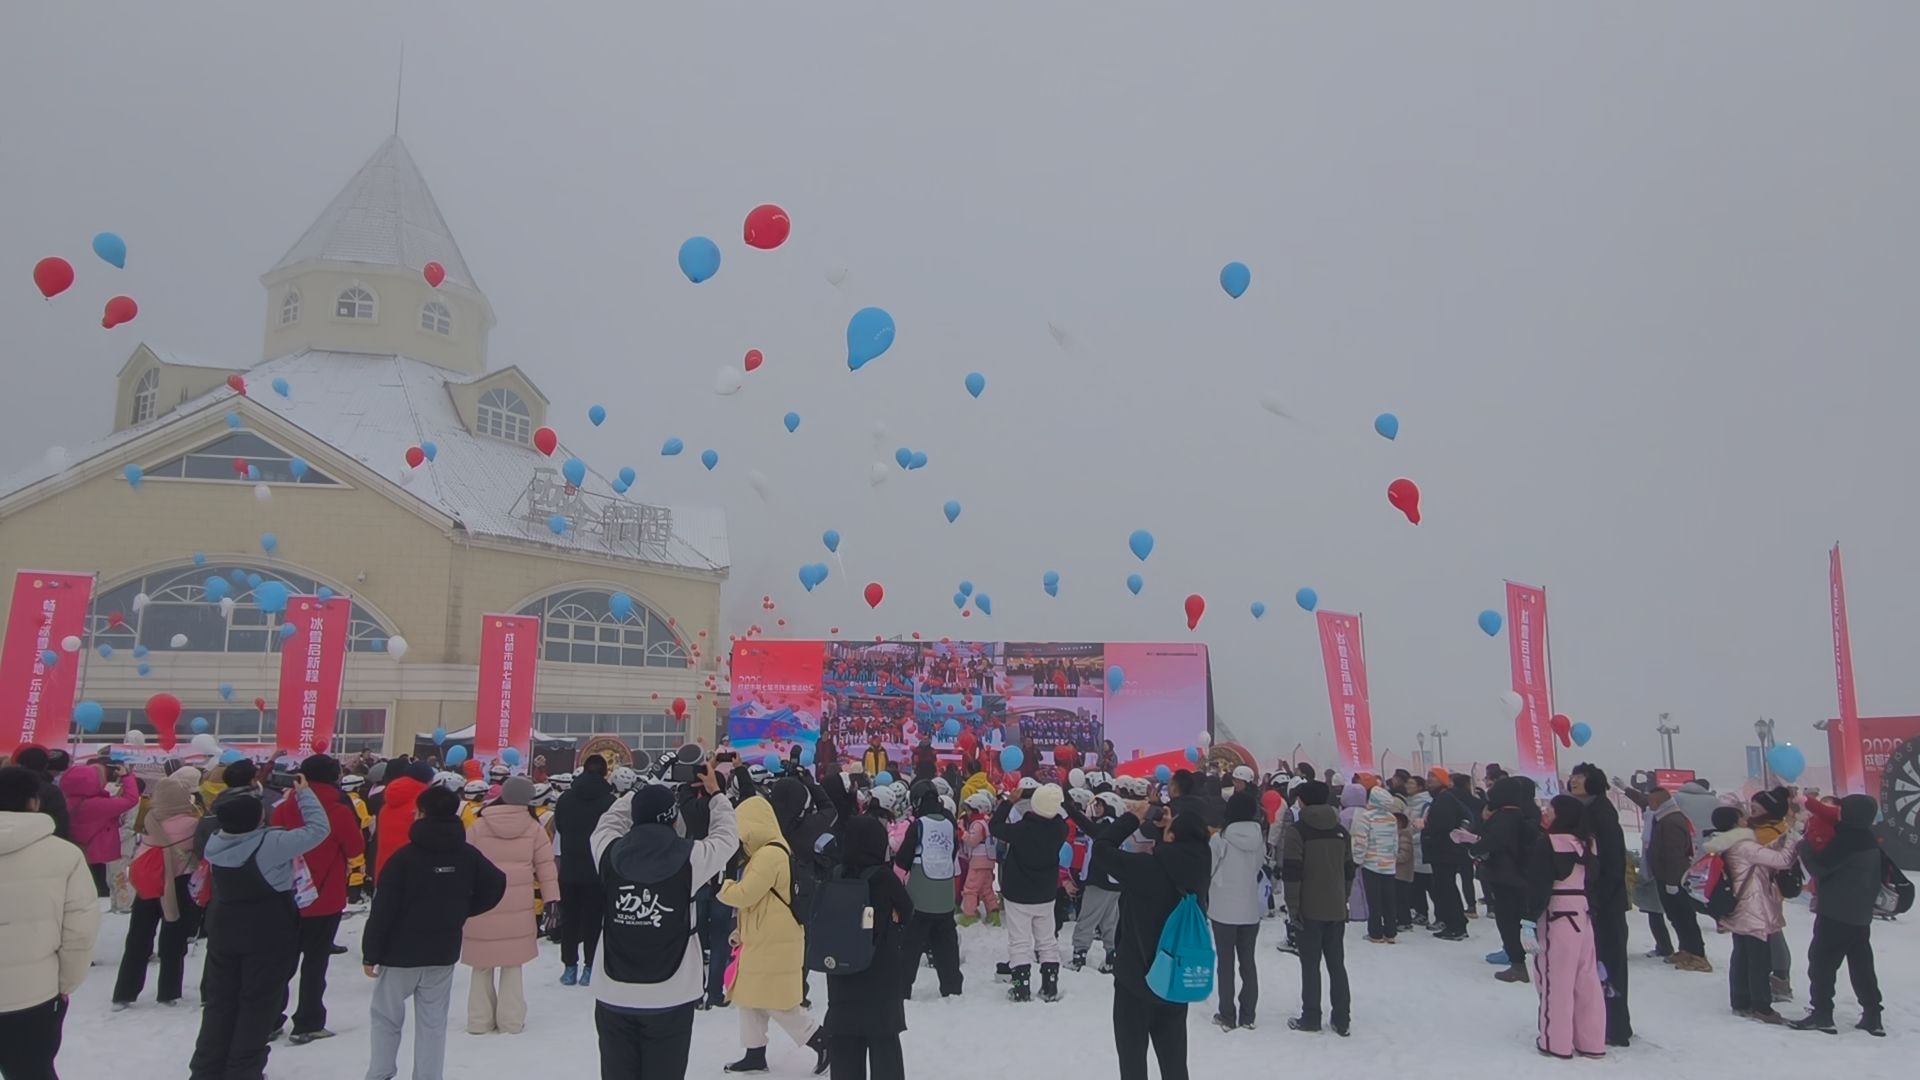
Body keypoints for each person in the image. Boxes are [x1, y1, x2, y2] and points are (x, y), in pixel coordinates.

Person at [591, 764, 737, 1078]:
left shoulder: (608, 853)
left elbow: (607, 823)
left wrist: (634, 791)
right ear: (674, 818)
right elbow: (727, 837)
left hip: (613, 990)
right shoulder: (691, 858)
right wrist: (716, 794)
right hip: (673, 992)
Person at [189, 772, 332, 1080]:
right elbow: (319, 830)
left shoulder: (216, 842)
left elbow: (239, 820)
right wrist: (304, 793)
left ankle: (205, 1070)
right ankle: (243, 1071)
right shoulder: (271, 843)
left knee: (220, 1003)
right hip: (267, 931)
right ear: (257, 819)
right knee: (257, 1005)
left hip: (225, 928)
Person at [362, 784, 507, 1080]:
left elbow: (383, 909)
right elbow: (496, 882)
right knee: (433, 1023)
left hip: (398, 953)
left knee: (386, 1018)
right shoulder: (467, 854)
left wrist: (370, 952)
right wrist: (460, 911)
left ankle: (380, 1074)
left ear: (423, 813)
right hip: (442, 950)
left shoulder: (404, 858)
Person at [1090, 789, 1212, 1080]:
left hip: (1137, 976)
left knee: (1133, 1062)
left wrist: (1133, 818)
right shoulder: (1201, 860)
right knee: (1174, 1062)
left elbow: (1103, 848)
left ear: (1170, 838)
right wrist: (1168, 830)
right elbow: (1176, 853)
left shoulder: (1145, 868)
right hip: (1175, 976)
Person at [718, 795, 830, 1075]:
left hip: (774, 942)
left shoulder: (770, 854)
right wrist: (740, 933)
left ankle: (823, 1040)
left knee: (776, 1002)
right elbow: (761, 903)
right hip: (765, 938)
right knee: (750, 998)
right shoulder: (770, 852)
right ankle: (754, 1053)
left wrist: (722, 885)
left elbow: (746, 895)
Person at [0, 766, 99, 1080]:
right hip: (34, 995)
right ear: (34, 802)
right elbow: (80, 932)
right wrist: (64, 984)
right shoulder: (64, 855)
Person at [270, 754, 367, 1045]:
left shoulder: (284, 807)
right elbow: (355, 847)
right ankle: (308, 1022)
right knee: (315, 963)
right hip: (325, 896)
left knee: (280, 962)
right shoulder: (337, 810)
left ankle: (270, 1019)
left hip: (287, 894)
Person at [462, 776, 561, 1035]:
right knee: (512, 964)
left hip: (481, 904)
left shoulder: (479, 825)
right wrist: (552, 900)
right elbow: (546, 868)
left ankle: (478, 1020)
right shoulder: (534, 828)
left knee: (481, 964)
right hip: (518, 905)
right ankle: (511, 1020)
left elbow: (465, 862)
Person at [823, 816, 914, 1080]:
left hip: (842, 974)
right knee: (885, 1049)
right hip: (879, 974)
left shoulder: (836, 874)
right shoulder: (882, 876)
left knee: (845, 1049)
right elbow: (907, 910)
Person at [1789, 794, 1884, 1036]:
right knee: (1862, 965)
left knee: (1822, 963)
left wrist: (1805, 846)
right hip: (1860, 913)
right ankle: (1873, 1015)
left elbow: (1819, 868)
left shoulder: (1847, 840)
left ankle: (1822, 1013)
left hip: (1837, 912)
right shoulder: (1868, 837)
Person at [1525, 795, 1607, 1059]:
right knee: (1587, 979)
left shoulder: (1548, 842)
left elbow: (1539, 883)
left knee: (1554, 978)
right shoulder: (1588, 844)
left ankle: (1555, 1041)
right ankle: (1591, 1041)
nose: (1546, 812)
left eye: (1550, 808)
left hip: (1557, 913)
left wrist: (1528, 918)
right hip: (1583, 914)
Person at [112, 774, 202, 1008]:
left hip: (148, 882)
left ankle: (124, 992)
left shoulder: (149, 817)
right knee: (173, 937)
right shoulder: (193, 823)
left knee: (138, 937)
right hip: (177, 883)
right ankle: (169, 992)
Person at [1704, 805, 1798, 1024]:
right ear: (1736, 822)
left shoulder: (1726, 843)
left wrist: (1782, 839)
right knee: (1758, 959)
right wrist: (1792, 836)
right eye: (1742, 816)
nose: (1746, 818)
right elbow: (1782, 861)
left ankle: (1741, 1001)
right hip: (1753, 907)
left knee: (1742, 955)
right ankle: (1762, 1006)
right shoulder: (1744, 845)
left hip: (1738, 906)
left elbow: (1764, 857)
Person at [1281, 780, 1356, 1035]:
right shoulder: (1340, 831)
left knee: (1310, 964)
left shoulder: (1298, 831)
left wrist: (1293, 908)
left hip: (1308, 908)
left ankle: (1311, 1016)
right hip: (1335, 907)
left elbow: (1292, 872)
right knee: (1337, 964)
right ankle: (1342, 1018)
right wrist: (1343, 897)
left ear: (1302, 801)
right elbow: (1349, 870)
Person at [1567, 764, 1632, 1045]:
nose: (1574, 781)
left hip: (1604, 903)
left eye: (1581, 777)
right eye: (1573, 776)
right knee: (1593, 965)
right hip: (1589, 901)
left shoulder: (1601, 816)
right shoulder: (1582, 812)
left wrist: (1596, 898)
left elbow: (1613, 866)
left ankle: (1615, 1026)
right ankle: (1597, 1022)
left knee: (1608, 963)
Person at [991, 781, 1069, 1003]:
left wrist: (1008, 802)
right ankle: (1050, 985)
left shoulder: (1021, 830)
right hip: (1045, 893)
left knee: (1019, 942)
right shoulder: (1060, 829)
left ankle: (1020, 987)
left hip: (1018, 894)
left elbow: (995, 826)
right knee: (1047, 942)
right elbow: (1059, 815)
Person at [892, 782, 962, 999]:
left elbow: (903, 858)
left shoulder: (919, 824)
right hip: (944, 895)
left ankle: (901, 989)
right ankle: (952, 988)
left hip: (920, 894)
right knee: (946, 946)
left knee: (910, 947)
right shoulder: (950, 822)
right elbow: (953, 851)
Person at [553, 754, 617, 986]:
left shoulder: (565, 798)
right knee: (594, 920)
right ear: (604, 773)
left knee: (570, 919)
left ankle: (569, 967)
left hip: (569, 868)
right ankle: (590, 967)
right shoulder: (610, 801)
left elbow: (559, 825)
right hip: (597, 870)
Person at [1208, 790, 1265, 1030]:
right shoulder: (1258, 837)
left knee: (1226, 962)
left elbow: (1209, 868)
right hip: (1250, 907)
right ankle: (1248, 1014)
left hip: (1222, 907)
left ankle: (1227, 1014)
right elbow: (1260, 865)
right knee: (1248, 962)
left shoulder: (1219, 838)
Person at [1472, 777, 1534, 981]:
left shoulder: (1503, 818)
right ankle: (1519, 960)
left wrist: (1475, 849)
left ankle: (1517, 964)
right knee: (1517, 919)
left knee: (1507, 920)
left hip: (1505, 875)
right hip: (1519, 875)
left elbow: (1495, 841)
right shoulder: (1521, 815)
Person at [1642, 788, 1709, 971]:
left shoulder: (1671, 821)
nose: (1648, 805)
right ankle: (1686, 949)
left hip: (1675, 877)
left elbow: (1674, 854)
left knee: (1685, 916)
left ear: (1656, 802)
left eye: (1650, 801)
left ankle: (1697, 954)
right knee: (1676, 917)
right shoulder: (1664, 817)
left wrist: (1672, 881)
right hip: (1666, 876)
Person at [59, 758, 140, 898]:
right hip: (97, 855)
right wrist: (126, 776)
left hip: (74, 852)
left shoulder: (65, 801)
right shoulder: (98, 805)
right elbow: (131, 799)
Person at [1747, 787, 1796, 1002]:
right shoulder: (1764, 826)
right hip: (1763, 888)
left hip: (1765, 889)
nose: (1752, 806)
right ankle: (1778, 979)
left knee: (1772, 934)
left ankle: (1780, 981)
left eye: (1756, 803)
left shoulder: (1768, 832)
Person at [1420, 768, 1471, 940]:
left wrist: (1427, 831)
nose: (1428, 781)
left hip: (1444, 852)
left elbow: (1444, 825)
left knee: (1447, 888)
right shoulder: (1442, 798)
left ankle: (1456, 925)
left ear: (1442, 780)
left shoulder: (1444, 799)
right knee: (1445, 887)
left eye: (1433, 778)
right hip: (1444, 851)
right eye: (1428, 777)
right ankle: (1454, 922)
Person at [1351, 784, 1400, 946]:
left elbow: (1360, 841)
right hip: (1389, 865)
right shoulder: (1392, 818)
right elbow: (1395, 842)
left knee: (1374, 900)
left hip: (1371, 865)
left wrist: (1358, 859)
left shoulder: (1365, 817)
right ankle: (1391, 932)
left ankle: (1376, 933)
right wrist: (1392, 858)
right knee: (1390, 900)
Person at [373, 760, 433, 880]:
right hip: (412, 872)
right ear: (426, 780)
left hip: (384, 869)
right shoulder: (423, 805)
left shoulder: (387, 804)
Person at [8, 747, 71, 841]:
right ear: (45, 765)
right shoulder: (51, 790)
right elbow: (60, 825)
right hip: (41, 842)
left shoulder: (6, 785)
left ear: (18, 764)